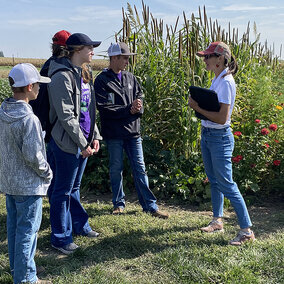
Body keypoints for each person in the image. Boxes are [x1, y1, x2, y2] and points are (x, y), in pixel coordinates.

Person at [188, 42, 255, 245]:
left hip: (219, 137)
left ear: (220, 58)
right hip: (209, 135)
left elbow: (222, 118)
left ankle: (246, 231)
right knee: (214, 180)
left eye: (208, 57)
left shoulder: (225, 82)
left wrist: (196, 106)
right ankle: (217, 220)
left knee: (227, 183)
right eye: (204, 57)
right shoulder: (217, 78)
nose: (205, 60)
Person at [94, 42, 169, 219]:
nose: (128, 61)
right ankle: (118, 203)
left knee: (140, 169)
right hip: (114, 134)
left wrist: (138, 107)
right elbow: (105, 108)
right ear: (114, 58)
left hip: (133, 133)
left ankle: (150, 206)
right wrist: (129, 110)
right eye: (125, 58)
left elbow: (139, 96)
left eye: (128, 58)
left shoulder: (130, 78)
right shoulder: (101, 80)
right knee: (115, 169)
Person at [47, 33, 102, 254]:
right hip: (67, 143)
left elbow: (88, 109)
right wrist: (82, 143)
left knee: (74, 188)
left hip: (83, 141)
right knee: (62, 191)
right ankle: (60, 238)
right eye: (89, 47)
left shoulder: (82, 73)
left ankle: (78, 226)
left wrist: (95, 136)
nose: (93, 51)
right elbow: (66, 116)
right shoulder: (61, 76)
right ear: (77, 49)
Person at [0, 63, 52, 283]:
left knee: (14, 229)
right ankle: (26, 278)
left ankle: (19, 269)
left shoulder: (3, 113)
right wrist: (47, 172)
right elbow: (34, 156)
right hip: (29, 184)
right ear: (30, 86)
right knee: (28, 233)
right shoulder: (29, 119)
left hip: (9, 182)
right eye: (38, 84)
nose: (40, 88)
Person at [30, 29, 71, 142]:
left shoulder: (49, 64)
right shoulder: (61, 68)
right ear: (66, 49)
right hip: (52, 125)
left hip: (42, 119)